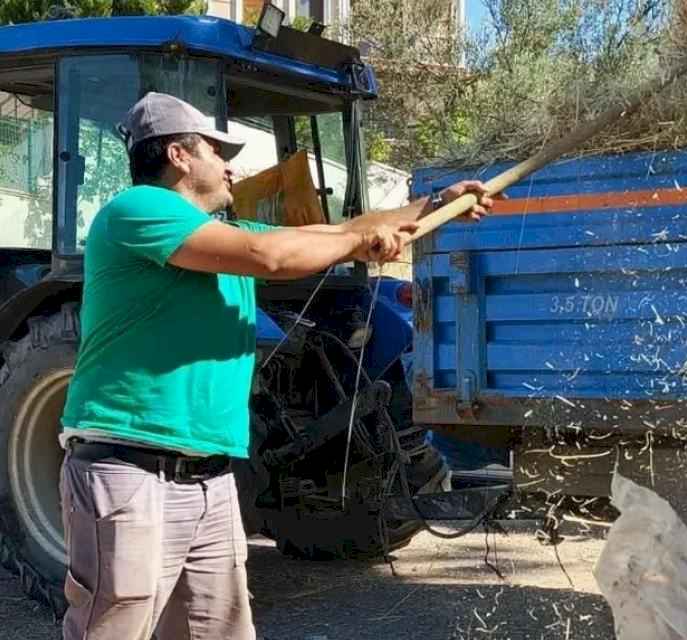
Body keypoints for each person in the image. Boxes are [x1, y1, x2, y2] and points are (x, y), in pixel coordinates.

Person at [57, 92, 496, 639]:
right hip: (132, 470)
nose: (230, 165)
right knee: (114, 626)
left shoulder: (221, 237)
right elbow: (274, 258)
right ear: (177, 155)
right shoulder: (139, 210)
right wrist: (359, 242)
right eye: (217, 152)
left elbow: (322, 235)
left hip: (210, 475)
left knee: (216, 630)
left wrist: (429, 208)